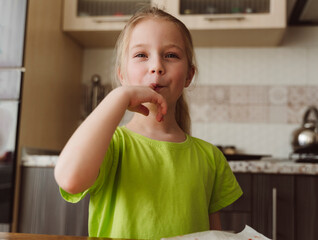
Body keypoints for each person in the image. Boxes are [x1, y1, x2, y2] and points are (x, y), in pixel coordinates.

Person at [54, 6, 242, 240]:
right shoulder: (111, 146)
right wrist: (118, 97)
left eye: (171, 55)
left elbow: (214, 235)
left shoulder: (210, 157)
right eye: (141, 55)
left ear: (189, 75)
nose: (157, 66)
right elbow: (70, 180)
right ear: (122, 75)